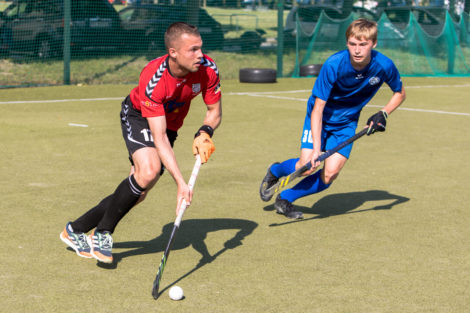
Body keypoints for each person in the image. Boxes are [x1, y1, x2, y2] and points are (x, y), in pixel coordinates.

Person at [60, 22, 222, 263]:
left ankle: (75, 229)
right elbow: (158, 137)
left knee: (139, 191)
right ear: (173, 52)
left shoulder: (208, 68)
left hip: (170, 125)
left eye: (201, 48)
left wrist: (204, 132)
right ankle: (103, 233)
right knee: (148, 172)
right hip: (139, 117)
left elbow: (214, 112)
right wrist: (181, 183)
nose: (201, 55)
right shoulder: (154, 77)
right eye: (193, 50)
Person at [260, 18, 406, 219]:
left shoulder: (383, 65)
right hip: (320, 116)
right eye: (352, 44)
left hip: (346, 123)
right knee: (305, 166)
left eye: (363, 44)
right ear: (347, 43)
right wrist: (317, 150)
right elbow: (318, 109)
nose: (357, 50)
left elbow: (400, 93)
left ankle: (285, 198)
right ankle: (275, 170)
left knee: (330, 174)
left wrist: (384, 112)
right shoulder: (334, 65)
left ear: (374, 44)